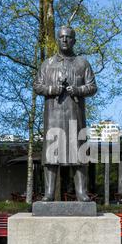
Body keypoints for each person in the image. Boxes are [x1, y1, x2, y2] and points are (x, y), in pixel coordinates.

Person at [34, 26, 97, 202]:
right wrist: (53, 88)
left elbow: (92, 87)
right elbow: (37, 86)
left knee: (78, 154)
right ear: (57, 39)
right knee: (50, 155)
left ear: (74, 41)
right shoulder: (47, 64)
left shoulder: (82, 63)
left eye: (68, 37)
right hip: (53, 116)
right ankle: (48, 193)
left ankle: (81, 193)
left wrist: (77, 89)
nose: (64, 40)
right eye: (61, 37)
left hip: (74, 116)